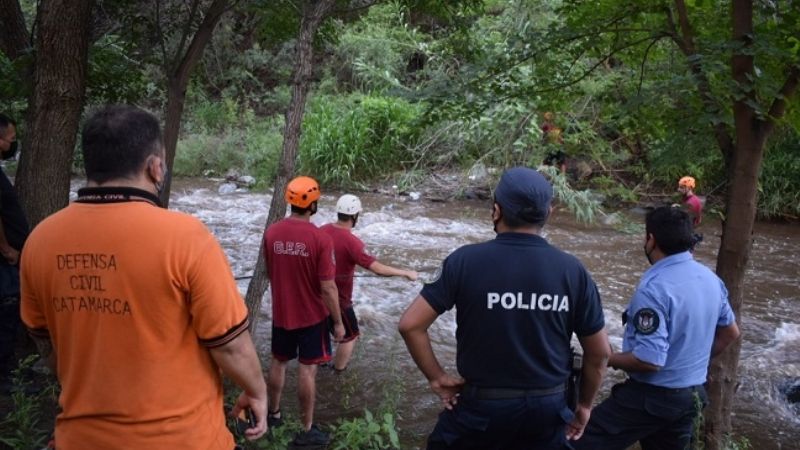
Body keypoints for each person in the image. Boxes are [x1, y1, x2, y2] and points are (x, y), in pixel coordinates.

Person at [19, 105, 267, 448]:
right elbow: (230, 346)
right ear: (155, 167)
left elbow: (47, 344)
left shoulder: (40, 241)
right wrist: (256, 391)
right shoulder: (186, 237)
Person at [398, 166, 610, 449]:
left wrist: (438, 379)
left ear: (496, 211)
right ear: (548, 213)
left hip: (482, 409)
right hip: (548, 409)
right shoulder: (573, 271)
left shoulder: (464, 261)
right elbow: (600, 353)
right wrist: (584, 406)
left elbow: (411, 325)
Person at [573, 206, 740, 450]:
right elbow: (730, 332)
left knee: (577, 442)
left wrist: (607, 358)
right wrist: (691, 364)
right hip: (692, 396)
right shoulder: (711, 280)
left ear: (651, 240)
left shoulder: (654, 288)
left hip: (652, 398)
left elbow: (649, 360)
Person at [264, 176, 345, 447]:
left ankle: (273, 415)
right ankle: (306, 429)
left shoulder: (272, 233)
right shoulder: (320, 239)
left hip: (282, 314)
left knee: (279, 361)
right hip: (311, 317)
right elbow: (328, 287)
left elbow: (270, 269)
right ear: (312, 204)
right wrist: (338, 322)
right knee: (307, 371)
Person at [320, 194, 418, 372]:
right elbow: (378, 269)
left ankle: (321, 363)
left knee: (323, 332)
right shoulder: (353, 243)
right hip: (338, 300)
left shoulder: (322, 230)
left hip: (317, 295)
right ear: (354, 216)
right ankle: (337, 371)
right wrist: (405, 273)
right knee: (350, 336)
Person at [0, 113, 30, 394]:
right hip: (5, 258)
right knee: (7, 309)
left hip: (9, 255)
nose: (13, 143)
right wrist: (6, 248)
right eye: (10, 138)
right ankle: (5, 374)